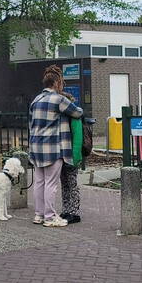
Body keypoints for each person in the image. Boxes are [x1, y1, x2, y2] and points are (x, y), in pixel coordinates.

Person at [28, 65, 83, 227]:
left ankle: (38, 215)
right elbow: (77, 112)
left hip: (36, 148)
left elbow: (31, 124)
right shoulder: (59, 100)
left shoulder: (35, 100)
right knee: (51, 184)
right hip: (53, 149)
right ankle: (50, 217)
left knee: (39, 183)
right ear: (57, 83)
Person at [59, 90, 84, 224]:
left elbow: (77, 138)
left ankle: (74, 212)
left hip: (71, 157)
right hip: (63, 155)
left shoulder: (74, 117)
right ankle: (66, 210)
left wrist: (74, 158)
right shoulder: (63, 117)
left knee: (72, 184)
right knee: (65, 184)